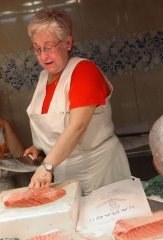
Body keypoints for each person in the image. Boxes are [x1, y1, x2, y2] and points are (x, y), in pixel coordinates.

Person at [24, 8, 132, 195]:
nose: (43, 55)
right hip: (65, 171)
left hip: (99, 171)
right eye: (37, 49)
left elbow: (78, 126)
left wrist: (47, 166)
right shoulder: (43, 78)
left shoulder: (84, 71)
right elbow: (54, 123)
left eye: (48, 47)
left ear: (68, 43)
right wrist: (41, 146)